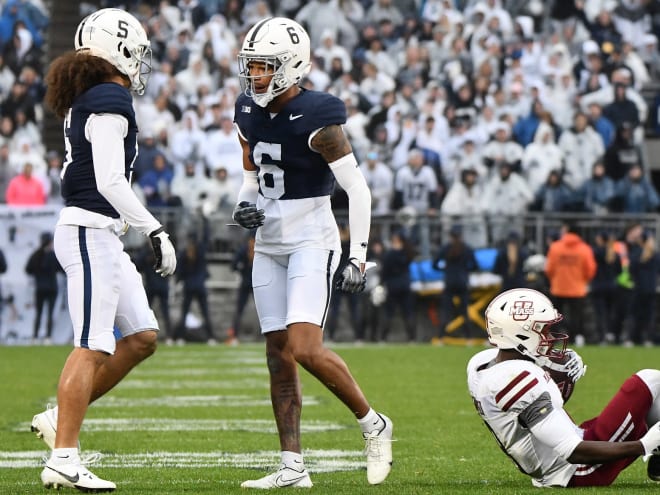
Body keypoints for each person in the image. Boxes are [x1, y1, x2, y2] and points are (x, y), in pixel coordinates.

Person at [231, 17, 392, 488]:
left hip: (311, 241)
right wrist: (243, 207)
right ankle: (291, 467)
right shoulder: (246, 108)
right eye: (252, 66)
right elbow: (249, 174)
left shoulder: (319, 116)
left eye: (264, 67)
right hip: (269, 246)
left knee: (305, 348)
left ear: (291, 68)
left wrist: (358, 257)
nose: (255, 76)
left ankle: (372, 423)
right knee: (278, 356)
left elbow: (358, 191)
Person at [29, 9, 177, 492]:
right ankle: (64, 457)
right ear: (118, 51)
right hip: (91, 230)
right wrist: (155, 229)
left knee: (141, 337)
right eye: (135, 52)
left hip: (100, 233)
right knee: (93, 344)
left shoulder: (87, 97)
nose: (140, 62)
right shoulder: (110, 96)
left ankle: (59, 420)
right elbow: (111, 180)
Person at [468, 287, 660, 487]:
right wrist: (643, 445)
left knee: (651, 386)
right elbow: (573, 451)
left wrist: (554, 372)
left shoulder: (483, 363)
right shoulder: (516, 379)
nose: (549, 336)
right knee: (648, 381)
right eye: (543, 330)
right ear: (521, 335)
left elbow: (537, 414)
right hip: (578, 470)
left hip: (561, 456)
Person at [544, 221, 597, 346]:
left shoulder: (555, 247)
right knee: (576, 317)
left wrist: (555, 279)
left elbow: (549, 268)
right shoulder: (584, 249)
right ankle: (574, 338)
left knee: (556, 316)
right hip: (577, 289)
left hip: (558, 287)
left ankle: (555, 338)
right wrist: (582, 280)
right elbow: (590, 270)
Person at [25, 231, 62, 345]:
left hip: (40, 288)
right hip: (51, 288)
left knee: (39, 313)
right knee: (50, 313)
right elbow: (62, 269)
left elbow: (28, 269)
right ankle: (48, 337)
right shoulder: (53, 255)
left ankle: (35, 337)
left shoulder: (35, 255)